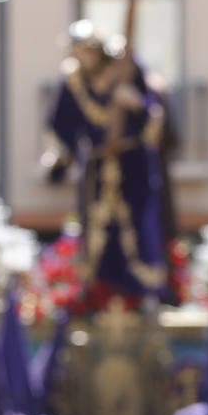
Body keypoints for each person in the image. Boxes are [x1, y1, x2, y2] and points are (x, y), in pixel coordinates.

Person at [43, 22, 169, 301]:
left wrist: (135, 102)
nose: (84, 56)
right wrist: (60, 156)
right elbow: (61, 125)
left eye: (88, 50)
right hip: (97, 164)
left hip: (132, 162)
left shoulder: (124, 69)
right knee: (96, 228)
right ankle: (96, 293)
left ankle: (143, 294)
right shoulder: (73, 80)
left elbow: (154, 114)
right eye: (78, 51)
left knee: (136, 226)